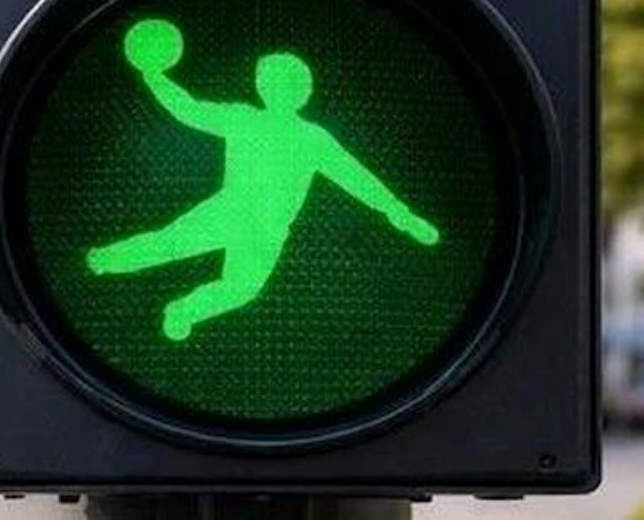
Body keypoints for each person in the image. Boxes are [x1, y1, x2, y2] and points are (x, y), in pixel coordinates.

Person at [87, 17, 439, 342]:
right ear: (262, 86)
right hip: (230, 211)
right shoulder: (244, 119)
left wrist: (402, 214)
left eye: (292, 83)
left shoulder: (313, 138)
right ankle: (105, 259)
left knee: (241, 288)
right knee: (169, 244)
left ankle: (183, 311)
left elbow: (358, 179)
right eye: (275, 81)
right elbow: (189, 109)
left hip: (267, 229)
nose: (283, 89)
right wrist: (155, 78)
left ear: (304, 90)